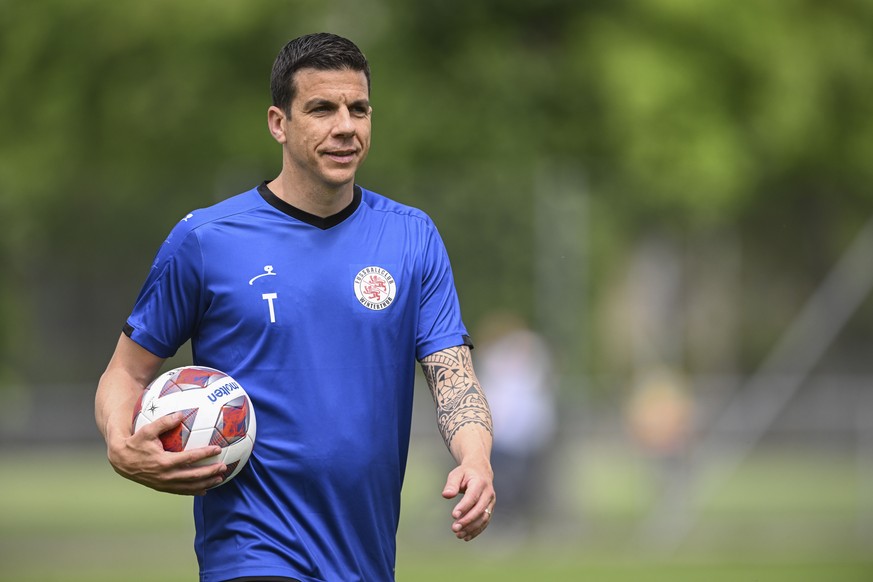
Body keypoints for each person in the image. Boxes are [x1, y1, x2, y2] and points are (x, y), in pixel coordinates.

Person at [95, 32, 495, 582]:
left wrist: (475, 457)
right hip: (251, 547)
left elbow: (453, 376)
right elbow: (125, 371)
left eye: (359, 109)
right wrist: (122, 446)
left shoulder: (411, 238)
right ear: (278, 123)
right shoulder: (207, 240)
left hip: (364, 552)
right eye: (322, 109)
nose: (346, 127)